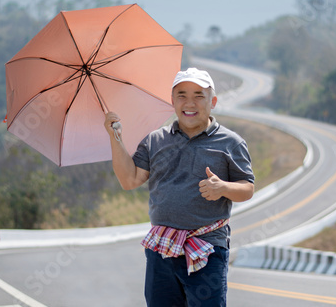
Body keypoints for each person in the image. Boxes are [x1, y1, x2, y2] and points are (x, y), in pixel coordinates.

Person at [104, 67, 255, 306]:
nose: (189, 102)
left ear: (212, 101)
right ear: (172, 100)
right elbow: (129, 179)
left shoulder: (230, 142)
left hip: (207, 249)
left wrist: (223, 187)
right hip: (161, 248)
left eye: (198, 95)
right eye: (182, 95)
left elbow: (247, 188)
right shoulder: (155, 140)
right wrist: (115, 137)